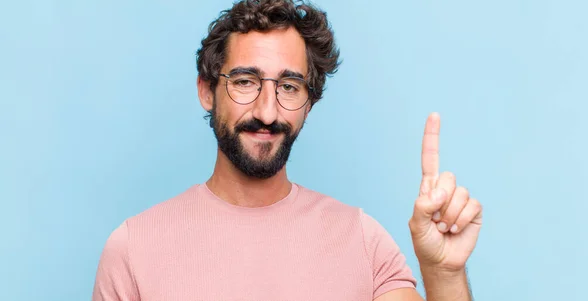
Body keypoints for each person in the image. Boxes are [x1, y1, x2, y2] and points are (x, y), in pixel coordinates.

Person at [92, 0, 483, 300]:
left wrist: (444, 275)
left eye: (289, 87)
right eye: (245, 82)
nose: (267, 111)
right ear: (206, 91)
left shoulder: (362, 240)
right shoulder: (133, 248)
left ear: (309, 105)